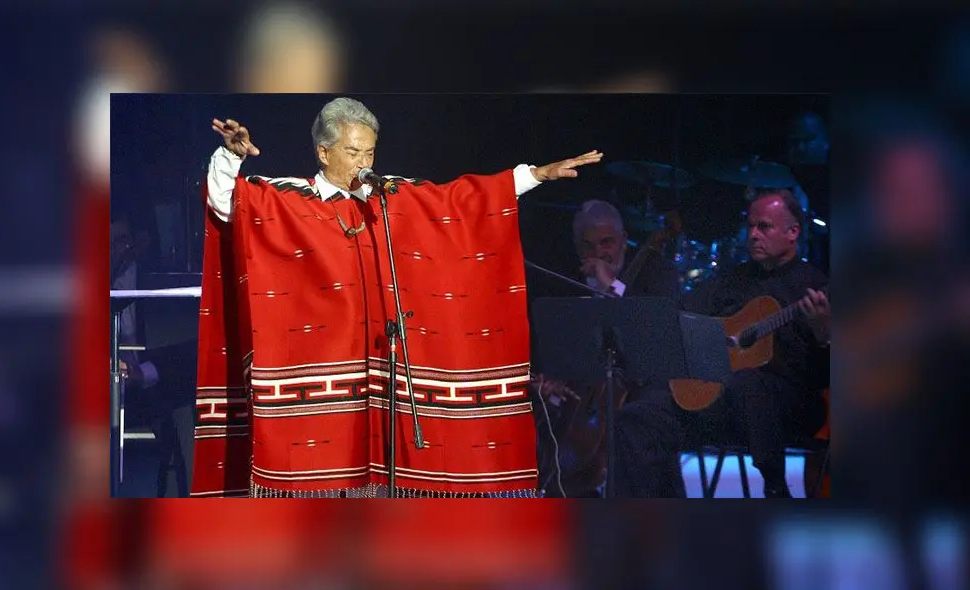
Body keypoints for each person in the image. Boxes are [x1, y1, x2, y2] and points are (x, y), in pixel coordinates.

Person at [193, 96, 603, 497]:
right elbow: (228, 205)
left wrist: (535, 175)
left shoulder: (394, 197)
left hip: (388, 389)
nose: (364, 164)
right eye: (353, 152)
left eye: (370, 152)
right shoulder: (286, 197)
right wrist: (231, 157)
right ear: (323, 152)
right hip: (321, 395)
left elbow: (461, 202)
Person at [612, 188, 830, 498]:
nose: (753, 235)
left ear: (793, 232)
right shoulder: (733, 279)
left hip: (788, 408)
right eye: (751, 226)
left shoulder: (814, 287)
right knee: (639, 416)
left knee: (750, 382)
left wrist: (823, 332)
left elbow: (825, 378)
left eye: (764, 227)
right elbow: (681, 315)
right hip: (723, 407)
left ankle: (776, 487)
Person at [531, 199, 681, 497]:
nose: (598, 253)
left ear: (624, 241)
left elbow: (658, 333)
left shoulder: (654, 271)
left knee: (635, 420)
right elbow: (552, 346)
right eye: (588, 246)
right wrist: (545, 380)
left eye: (607, 243)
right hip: (585, 393)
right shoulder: (568, 284)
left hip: (643, 385)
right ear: (577, 248)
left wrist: (612, 284)